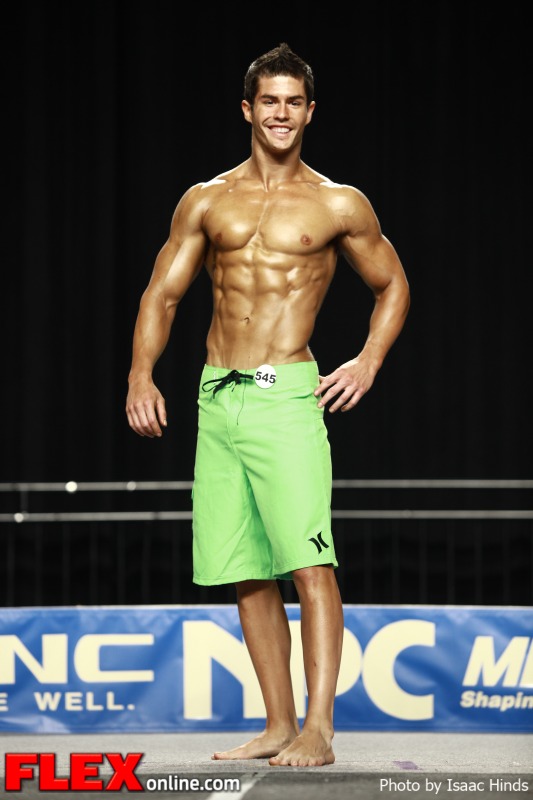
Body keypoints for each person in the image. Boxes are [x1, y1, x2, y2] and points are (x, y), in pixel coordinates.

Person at [126, 42, 410, 767]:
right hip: (216, 397)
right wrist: (140, 375)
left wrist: (368, 360)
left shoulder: (337, 203)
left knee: (309, 563)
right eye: (269, 101)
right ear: (248, 109)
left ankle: (319, 729)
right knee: (246, 568)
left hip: (284, 395)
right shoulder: (206, 199)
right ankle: (279, 723)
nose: (281, 114)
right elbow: (162, 294)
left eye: (294, 102)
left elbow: (392, 284)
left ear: (309, 112)